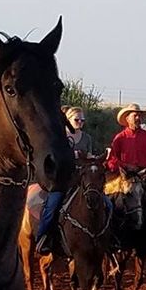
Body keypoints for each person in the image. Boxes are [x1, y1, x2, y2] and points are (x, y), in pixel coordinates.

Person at [35, 106, 95, 255]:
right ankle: (42, 238)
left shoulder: (87, 138)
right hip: (62, 179)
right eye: (76, 119)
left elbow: (88, 157)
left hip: (82, 179)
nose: (80, 122)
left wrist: (91, 159)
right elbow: (52, 158)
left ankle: (108, 239)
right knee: (52, 206)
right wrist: (71, 155)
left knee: (106, 203)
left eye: (82, 120)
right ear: (68, 120)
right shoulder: (58, 137)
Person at [105, 103, 146, 174]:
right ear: (127, 119)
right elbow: (112, 160)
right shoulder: (120, 137)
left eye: (139, 116)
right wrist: (126, 166)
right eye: (135, 115)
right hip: (126, 177)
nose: (138, 118)